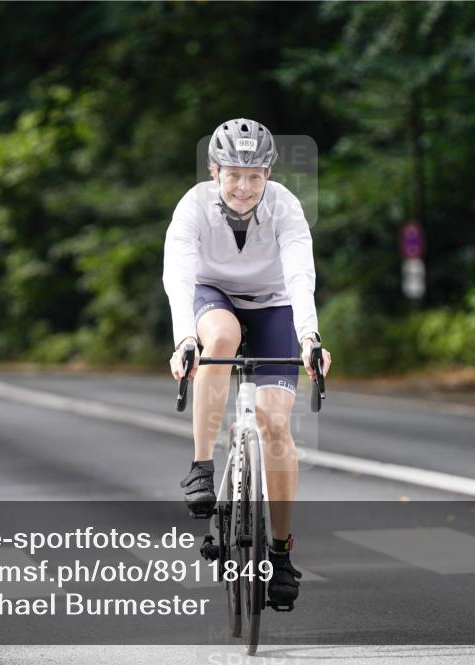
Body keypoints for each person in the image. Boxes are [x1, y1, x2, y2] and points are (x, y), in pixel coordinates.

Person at [163, 118, 331, 607]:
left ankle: (279, 553)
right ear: (215, 171)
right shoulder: (192, 207)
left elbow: (301, 275)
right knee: (220, 335)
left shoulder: (286, 207)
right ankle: (200, 465)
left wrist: (309, 337)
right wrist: (184, 341)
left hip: (276, 304)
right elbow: (179, 278)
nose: (243, 186)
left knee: (274, 424)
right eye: (233, 173)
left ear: (269, 175)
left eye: (254, 176)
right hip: (213, 298)